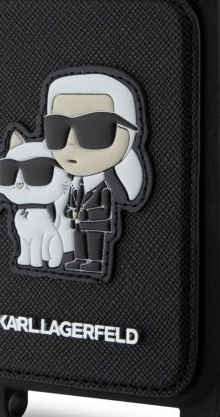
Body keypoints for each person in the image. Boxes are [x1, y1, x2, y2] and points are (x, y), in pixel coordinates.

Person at [44, 71, 145, 274]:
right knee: (79, 241)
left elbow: (105, 208)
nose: (70, 143)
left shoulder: (107, 186)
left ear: (128, 134)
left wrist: (85, 213)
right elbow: (70, 204)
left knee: (93, 243)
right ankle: (80, 259)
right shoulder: (73, 184)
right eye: (57, 129)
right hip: (78, 223)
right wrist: (70, 213)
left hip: (96, 225)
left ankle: (94, 262)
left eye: (93, 129)